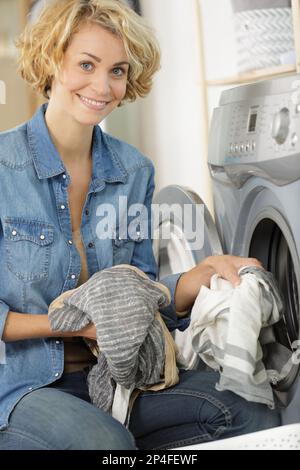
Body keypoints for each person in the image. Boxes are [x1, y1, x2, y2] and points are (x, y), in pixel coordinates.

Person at [0, 0, 280, 450]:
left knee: (248, 410)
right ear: (52, 60)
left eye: (118, 70)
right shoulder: (3, 167)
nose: (102, 85)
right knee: (104, 444)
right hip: (21, 387)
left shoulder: (133, 171)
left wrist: (199, 276)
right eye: (86, 64)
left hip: (115, 379)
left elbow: (139, 290)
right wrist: (73, 327)